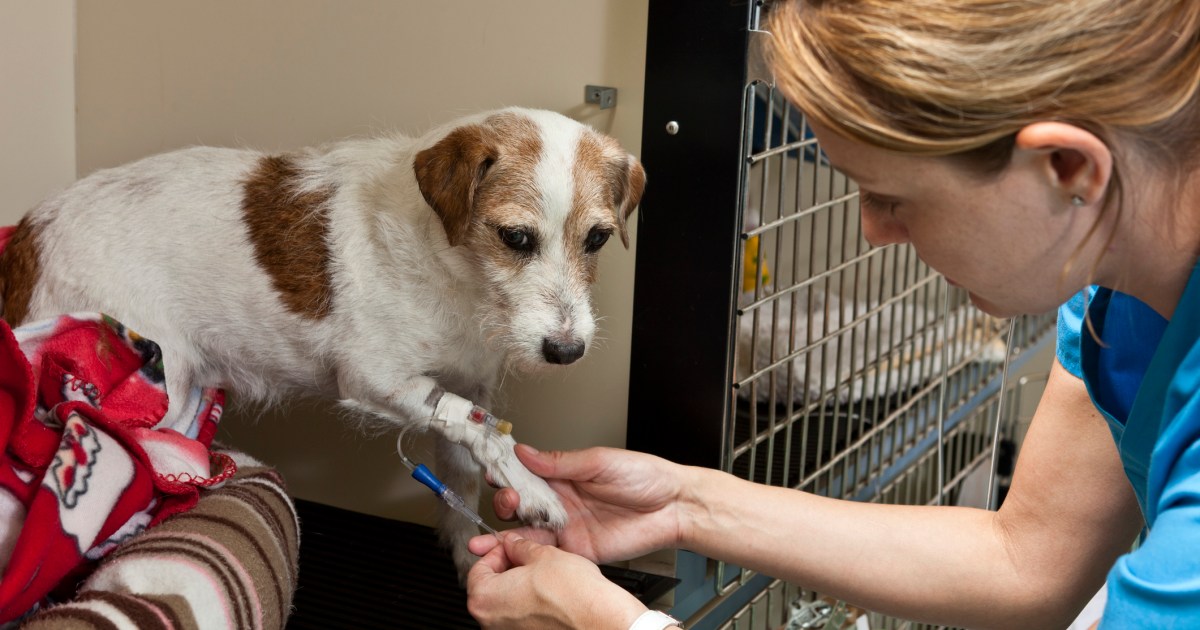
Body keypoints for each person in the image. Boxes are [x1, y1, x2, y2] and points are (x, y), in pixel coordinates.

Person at [466, 0, 1200, 627]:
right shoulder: (1110, 292)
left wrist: (607, 621)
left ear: (1069, 168)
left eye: (891, 196)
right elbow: (1028, 558)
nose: (874, 229)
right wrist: (686, 503)